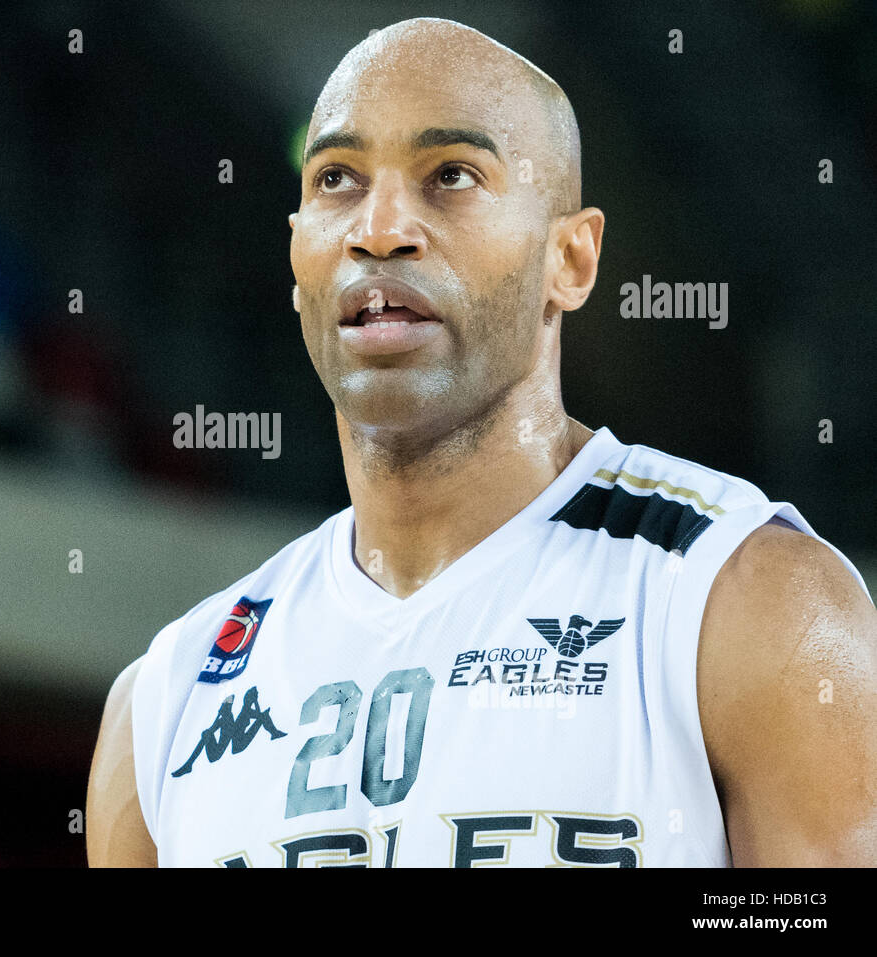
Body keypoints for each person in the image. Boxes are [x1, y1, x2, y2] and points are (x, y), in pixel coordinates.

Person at [86, 17, 877, 867]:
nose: (379, 228)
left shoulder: (751, 605)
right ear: (295, 256)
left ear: (570, 259)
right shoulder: (167, 701)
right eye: (338, 180)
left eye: (451, 175)